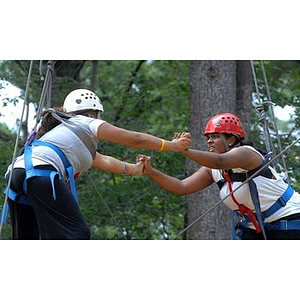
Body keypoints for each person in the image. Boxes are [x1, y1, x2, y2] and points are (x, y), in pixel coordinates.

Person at [4, 88, 191, 240]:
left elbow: (103, 160)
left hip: (16, 175)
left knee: (28, 239)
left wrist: (134, 169)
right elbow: (135, 139)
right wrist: (171, 145)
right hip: (40, 174)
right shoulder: (87, 123)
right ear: (95, 113)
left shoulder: (66, 136)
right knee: (76, 234)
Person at [137, 112, 300, 240]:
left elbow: (219, 161)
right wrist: (151, 171)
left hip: (289, 221)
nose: (209, 141)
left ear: (230, 140)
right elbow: (181, 187)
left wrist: (181, 149)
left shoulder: (247, 154)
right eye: (208, 138)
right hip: (257, 229)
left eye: (215, 137)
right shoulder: (212, 170)